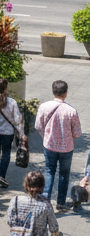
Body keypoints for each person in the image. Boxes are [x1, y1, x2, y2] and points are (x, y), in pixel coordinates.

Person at [35, 80, 83, 211]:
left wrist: (46, 136)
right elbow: (77, 133)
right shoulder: (71, 111)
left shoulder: (44, 107)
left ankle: (44, 200)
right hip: (66, 148)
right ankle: (61, 203)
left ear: (53, 91)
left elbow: (38, 126)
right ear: (66, 93)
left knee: (49, 171)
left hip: (49, 145)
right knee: (64, 174)